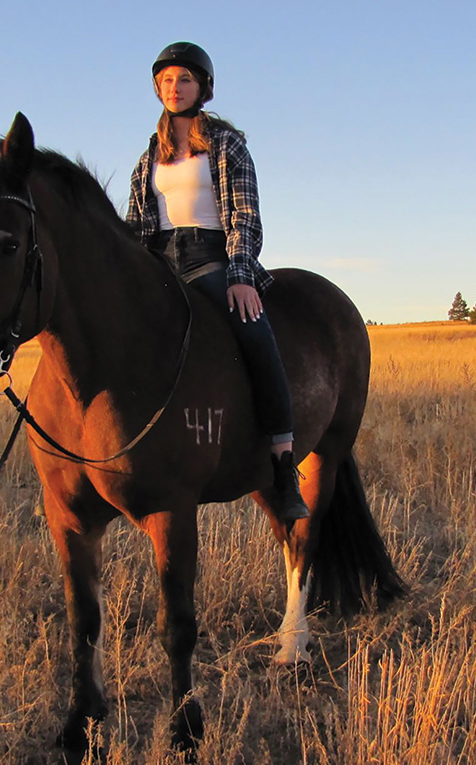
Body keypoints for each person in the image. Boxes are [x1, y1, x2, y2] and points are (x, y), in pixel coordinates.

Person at [126, 41, 308, 522]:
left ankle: (283, 465)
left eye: (184, 79)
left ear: (202, 87)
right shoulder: (150, 156)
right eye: (166, 80)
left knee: (254, 335)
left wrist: (241, 274)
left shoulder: (226, 144)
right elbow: (137, 226)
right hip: (160, 261)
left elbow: (245, 214)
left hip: (211, 258)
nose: (174, 88)